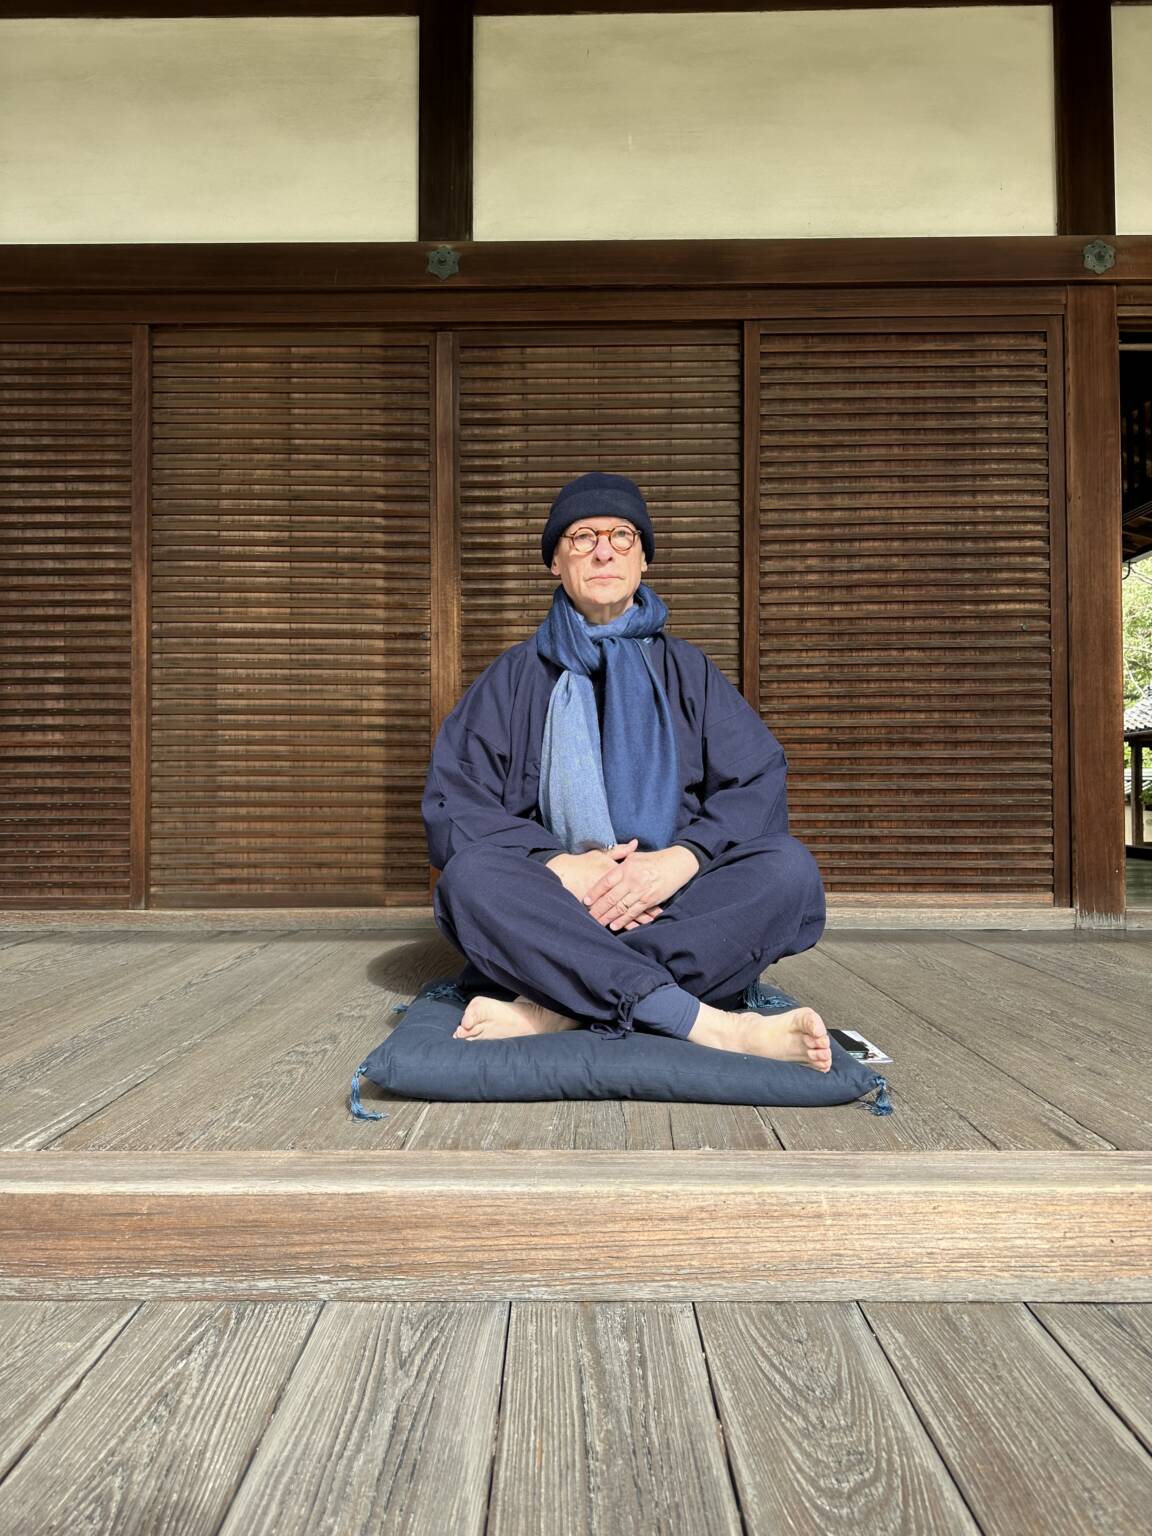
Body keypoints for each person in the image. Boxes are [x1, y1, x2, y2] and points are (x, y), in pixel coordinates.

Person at [422, 472, 831, 1071]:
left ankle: (560, 1002)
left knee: (788, 871)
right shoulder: (512, 677)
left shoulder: (689, 670)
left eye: (621, 536)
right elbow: (454, 801)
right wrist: (558, 866)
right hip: (555, 907)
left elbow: (758, 782)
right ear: (556, 562)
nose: (604, 551)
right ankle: (705, 1022)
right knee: (470, 880)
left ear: (643, 559)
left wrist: (679, 861)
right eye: (582, 538)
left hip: (673, 904)